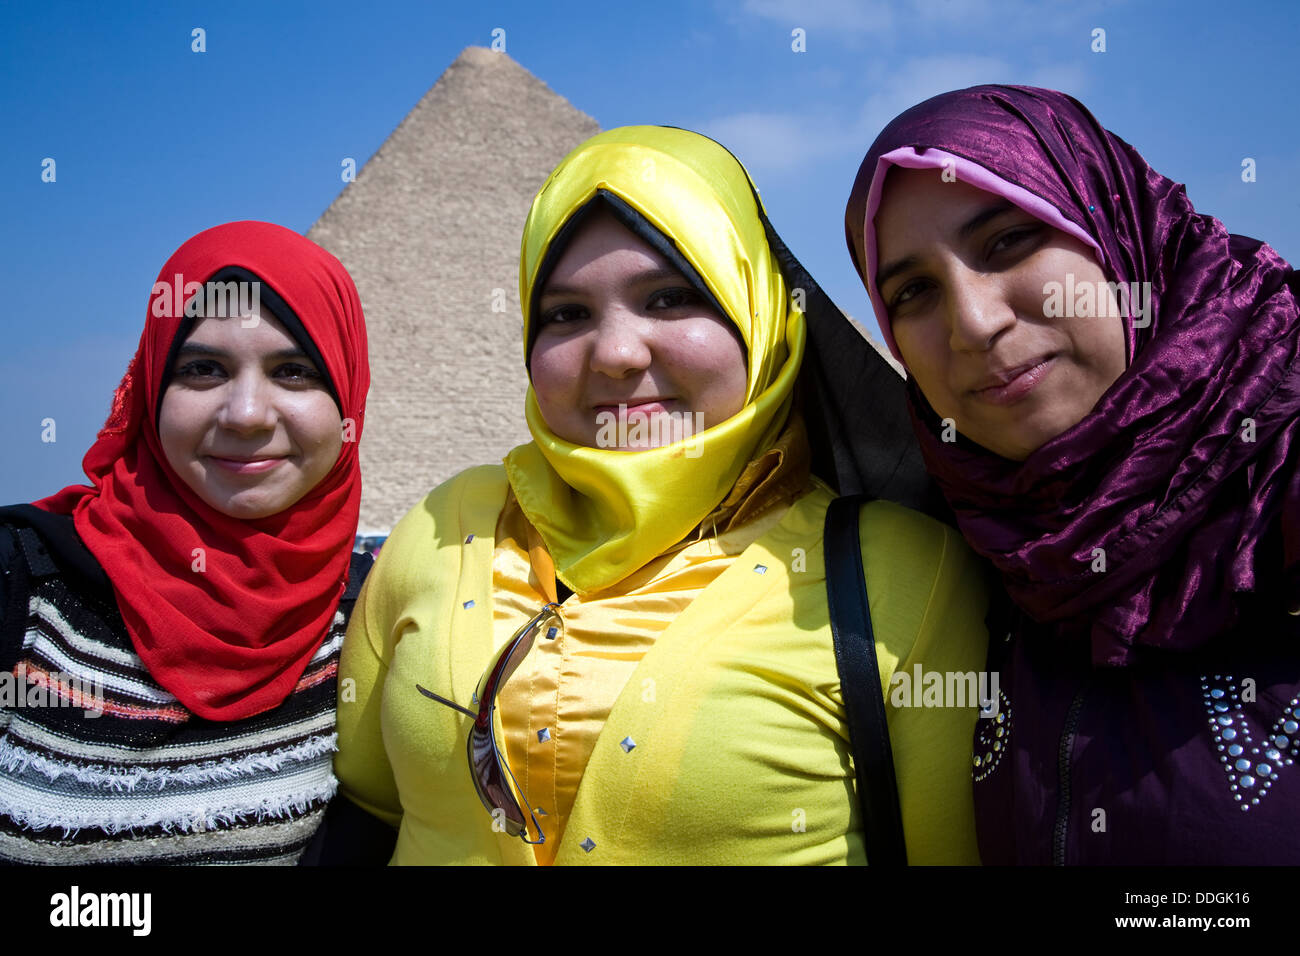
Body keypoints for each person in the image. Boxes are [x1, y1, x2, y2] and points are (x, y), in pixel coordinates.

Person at [334, 126, 991, 866]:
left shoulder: (907, 574)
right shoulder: (441, 525)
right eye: (565, 314)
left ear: (763, 312)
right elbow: (366, 808)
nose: (616, 354)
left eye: (671, 297)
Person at [843, 84, 1300, 864]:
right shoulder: (955, 549)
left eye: (1010, 241)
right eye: (913, 291)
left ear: (1119, 232)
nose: (976, 323)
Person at [0, 221, 371, 864]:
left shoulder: (378, 611)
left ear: (348, 393)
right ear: (150, 387)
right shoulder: (23, 583)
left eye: (294, 370)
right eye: (203, 369)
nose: (248, 413)